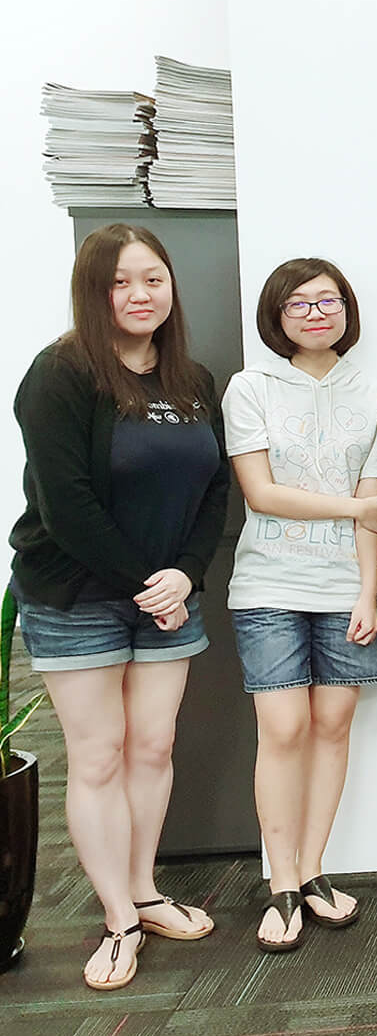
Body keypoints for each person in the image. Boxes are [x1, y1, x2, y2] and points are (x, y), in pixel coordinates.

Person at [9, 224, 229, 989]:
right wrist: (152, 581)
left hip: (167, 596)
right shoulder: (59, 375)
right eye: (121, 282)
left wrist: (187, 574)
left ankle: (145, 888)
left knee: (152, 749)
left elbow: (214, 491)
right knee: (99, 755)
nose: (140, 295)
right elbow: (63, 504)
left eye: (153, 279)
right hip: (78, 594)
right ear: (94, 291)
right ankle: (117, 919)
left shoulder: (191, 380)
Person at [224, 258, 377, 951]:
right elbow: (261, 494)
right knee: (285, 728)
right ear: (277, 317)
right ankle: (281, 881)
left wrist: (367, 591)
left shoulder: (376, 387)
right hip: (268, 582)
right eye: (299, 304)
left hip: (346, 587)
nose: (317, 313)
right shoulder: (250, 387)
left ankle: (315, 872)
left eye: (329, 301)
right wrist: (354, 506)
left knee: (333, 725)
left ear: (347, 310)